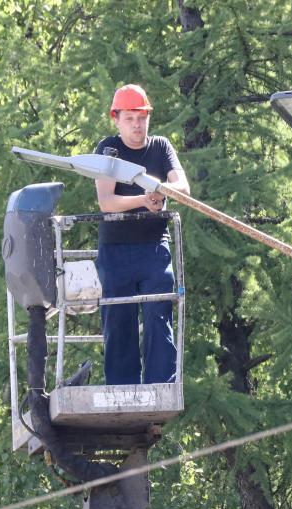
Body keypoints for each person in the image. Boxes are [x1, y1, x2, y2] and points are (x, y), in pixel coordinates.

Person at [93, 84, 190, 386]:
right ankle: (122, 389)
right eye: (130, 118)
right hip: (116, 250)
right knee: (119, 321)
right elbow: (107, 203)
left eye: (142, 118)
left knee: (158, 317)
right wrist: (144, 198)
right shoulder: (108, 150)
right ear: (117, 119)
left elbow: (183, 189)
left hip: (154, 249)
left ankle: (161, 385)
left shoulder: (160, 147)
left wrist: (160, 191)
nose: (137, 125)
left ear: (148, 118)